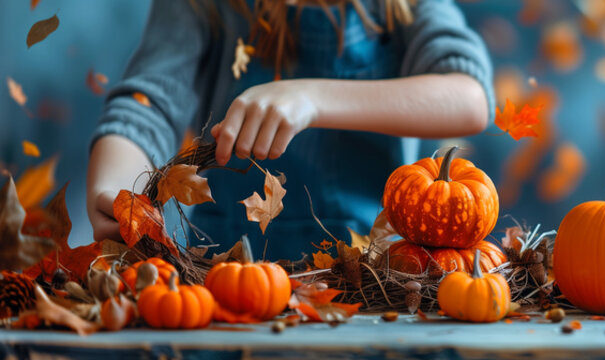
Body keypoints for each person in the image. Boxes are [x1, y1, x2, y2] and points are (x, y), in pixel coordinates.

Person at [87, 0, 493, 260]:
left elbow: (469, 98)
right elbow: (147, 105)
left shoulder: (402, 7)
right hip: (225, 272)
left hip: (372, 279)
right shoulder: (203, 6)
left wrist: (312, 99)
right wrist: (117, 194)